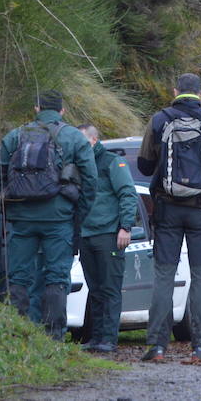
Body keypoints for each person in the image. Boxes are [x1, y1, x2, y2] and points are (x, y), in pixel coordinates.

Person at [136, 72, 201, 364]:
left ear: (175, 90)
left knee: (164, 276)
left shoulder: (159, 120)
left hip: (167, 209)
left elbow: (143, 166)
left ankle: (156, 346)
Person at [0, 89, 97, 340]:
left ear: (37, 108)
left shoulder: (15, 136)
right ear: (62, 111)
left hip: (21, 220)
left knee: (18, 276)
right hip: (58, 219)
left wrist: (9, 208)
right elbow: (91, 181)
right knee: (57, 276)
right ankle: (53, 337)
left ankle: (19, 336)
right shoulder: (74, 137)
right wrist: (76, 214)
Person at [76, 123, 138, 353]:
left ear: (93, 140)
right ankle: (95, 337)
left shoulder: (112, 162)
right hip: (86, 234)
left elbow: (127, 194)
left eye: (81, 141)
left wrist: (125, 227)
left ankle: (109, 339)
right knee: (94, 289)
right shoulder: (78, 164)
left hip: (108, 235)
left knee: (110, 288)